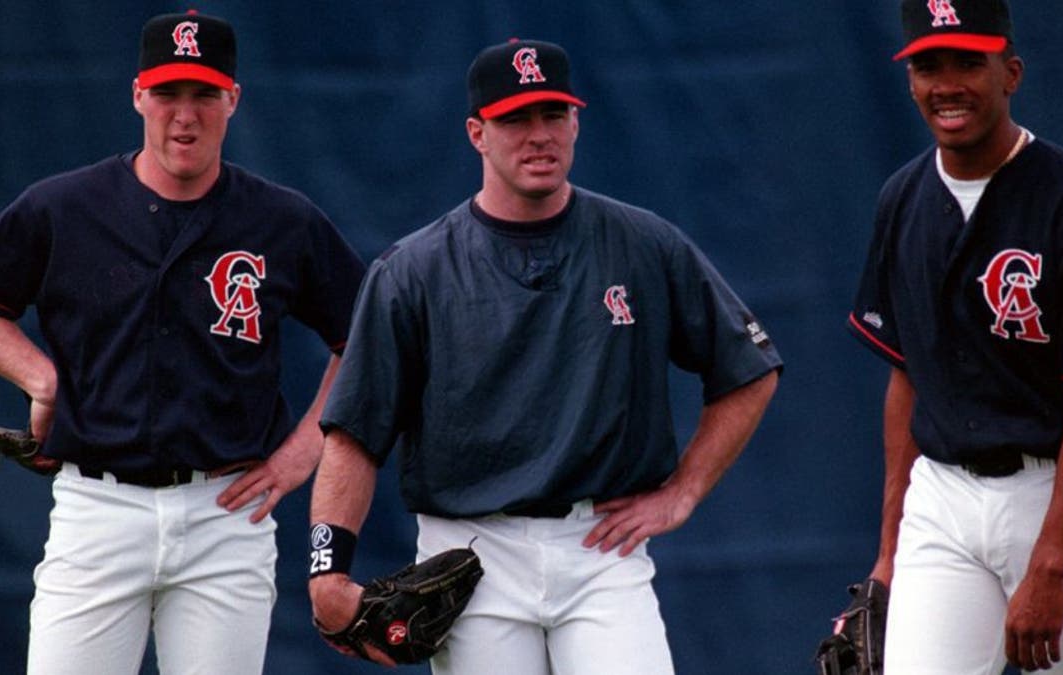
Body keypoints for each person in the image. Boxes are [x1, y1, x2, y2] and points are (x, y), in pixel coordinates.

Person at [307, 38, 782, 673]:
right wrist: (326, 572)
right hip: (470, 555)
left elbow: (749, 369)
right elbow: (354, 433)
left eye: (553, 114)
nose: (538, 135)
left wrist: (684, 490)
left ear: (577, 122)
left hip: (599, 549)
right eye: (515, 119)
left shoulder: (643, 244)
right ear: (477, 132)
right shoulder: (412, 271)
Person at [0, 11, 365, 675]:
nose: (185, 116)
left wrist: (304, 451)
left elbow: (367, 337)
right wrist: (41, 379)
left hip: (225, 513)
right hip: (98, 505)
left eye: (204, 94)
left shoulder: (281, 219)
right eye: (168, 94)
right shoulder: (66, 206)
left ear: (232, 98)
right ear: (138, 95)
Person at [847, 0, 1063, 672]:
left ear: (1011, 72)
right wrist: (888, 553)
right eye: (929, 65)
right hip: (943, 496)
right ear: (909, 81)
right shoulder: (901, 201)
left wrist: (1049, 564)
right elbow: (909, 378)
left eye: (970, 61)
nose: (948, 83)